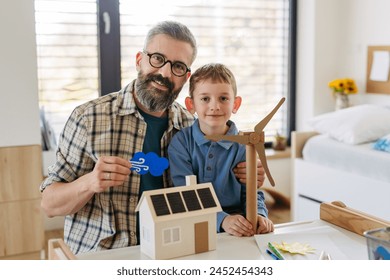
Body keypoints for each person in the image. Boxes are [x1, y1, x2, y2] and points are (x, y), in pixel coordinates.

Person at [40, 21, 266, 255]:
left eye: (177, 66)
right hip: (102, 254)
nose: (165, 73)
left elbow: (209, 190)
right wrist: (89, 183)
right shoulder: (89, 118)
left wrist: (249, 173)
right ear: (139, 60)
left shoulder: (191, 125)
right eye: (157, 58)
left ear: (186, 77)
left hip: (172, 251)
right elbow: (49, 205)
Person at [168, 63, 274, 237]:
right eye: (205, 99)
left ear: (236, 104)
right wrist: (222, 220)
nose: (215, 106)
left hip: (239, 227)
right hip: (195, 224)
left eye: (223, 98)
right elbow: (186, 196)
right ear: (191, 104)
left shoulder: (244, 145)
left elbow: (252, 193)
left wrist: (259, 215)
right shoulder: (181, 144)